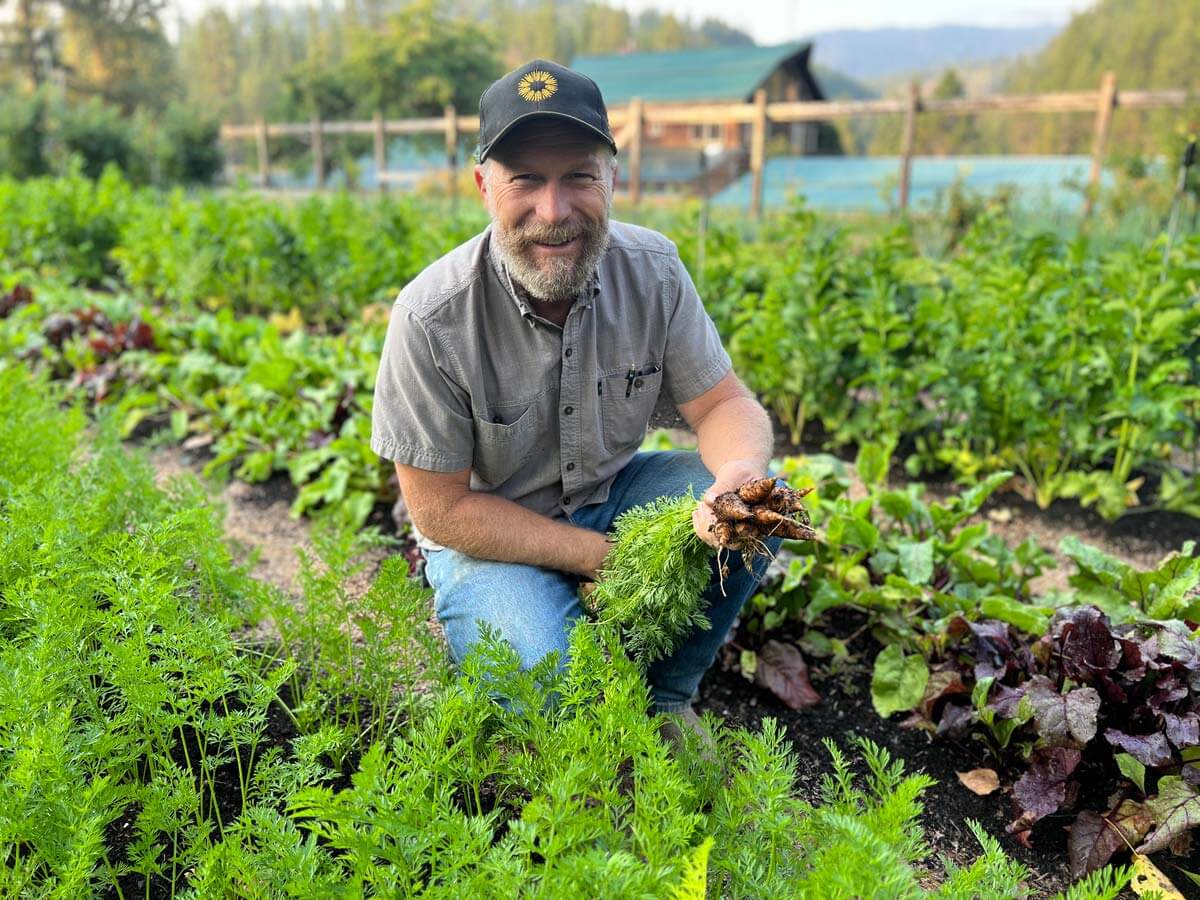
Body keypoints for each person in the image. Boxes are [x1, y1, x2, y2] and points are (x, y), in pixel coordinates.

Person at [370, 59, 779, 731]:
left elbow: (725, 406)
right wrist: (600, 559)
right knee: (561, 688)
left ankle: (668, 698)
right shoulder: (431, 318)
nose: (553, 212)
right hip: (488, 540)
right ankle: (543, 636)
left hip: (606, 499)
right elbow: (441, 511)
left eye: (578, 178)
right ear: (483, 186)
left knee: (757, 507)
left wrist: (735, 480)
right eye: (526, 180)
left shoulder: (654, 271)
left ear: (612, 179)